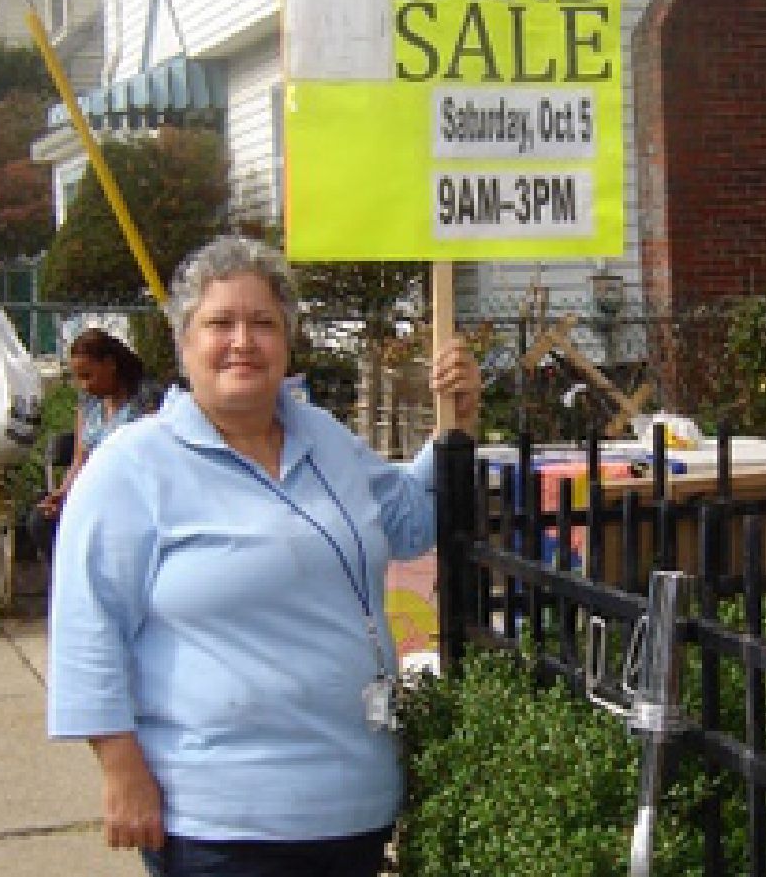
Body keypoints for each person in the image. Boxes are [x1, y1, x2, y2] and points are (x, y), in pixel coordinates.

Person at [46, 235, 481, 877]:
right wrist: (121, 768)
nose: (243, 342)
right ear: (183, 341)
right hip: (219, 823)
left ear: (287, 341)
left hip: (353, 806)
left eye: (263, 324)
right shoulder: (132, 467)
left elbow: (413, 521)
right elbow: (87, 629)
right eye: (220, 323)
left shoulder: (324, 438)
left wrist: (459, 420)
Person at [28, 327, 159, 561]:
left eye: (88, 376)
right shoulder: (88, 403)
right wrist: (63, 493)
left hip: (131, 498)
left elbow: (154, 460)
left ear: (110, 364)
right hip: (92, 495)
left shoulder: (144, 400)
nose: (83, 385)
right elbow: (81, 458)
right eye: (78, 378)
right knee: (42, 521)